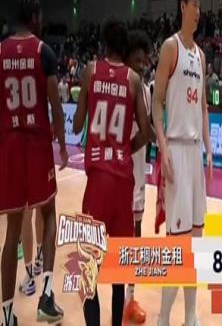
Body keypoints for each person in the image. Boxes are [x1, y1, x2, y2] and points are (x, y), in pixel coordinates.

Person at [73, 18, 149, 326]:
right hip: (122, 181)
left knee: (87, 268)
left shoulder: (91, 71)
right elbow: (146, 132)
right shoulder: (134, 80)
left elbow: (77, 124)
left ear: (104, 42)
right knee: (119, 268)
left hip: (97, 181)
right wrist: (125, 149)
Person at [0, 0, 68, 325]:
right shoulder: (44, 52)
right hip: (37, 146)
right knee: (49, 213)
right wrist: (63, 145)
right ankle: (46, 297)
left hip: (10, 148)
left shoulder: (0, 52)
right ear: (35, 17)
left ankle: (6, 315)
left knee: (12, 231)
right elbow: (55, 106)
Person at [153, 0, 212, 326]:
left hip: (194, 154)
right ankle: (163, 318)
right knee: (178, 245)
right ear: (182, 7)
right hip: (175, 148)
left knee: (196, 242)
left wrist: (208, 149)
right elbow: (157, 102)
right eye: (194, 5)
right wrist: (162, 147)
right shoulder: (170, 47)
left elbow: (203, 106)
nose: (199, 12)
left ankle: (190, 315)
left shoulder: (201, 56)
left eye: (200, 7)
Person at [123, 30, 155, 324]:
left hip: (136, 176)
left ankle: (129, 299)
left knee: (135, 233)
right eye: (137, 60)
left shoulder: (145, 89)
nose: (142, 66)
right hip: (117, 173)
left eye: (145, 61)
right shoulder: (118, 87)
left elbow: (149, 131)